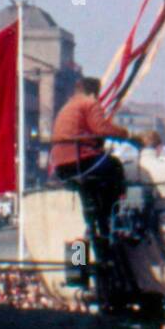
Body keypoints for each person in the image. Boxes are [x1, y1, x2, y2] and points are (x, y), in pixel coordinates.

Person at [50, 76, 135, 243]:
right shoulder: (90, 103)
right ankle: (111, 218)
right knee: (115, 167)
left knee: (91, 188)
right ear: (95, 92)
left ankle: (83, 252)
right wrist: (126, 134)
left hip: (62, 165)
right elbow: (101, 128)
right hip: (81, 161)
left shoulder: (68, 106)